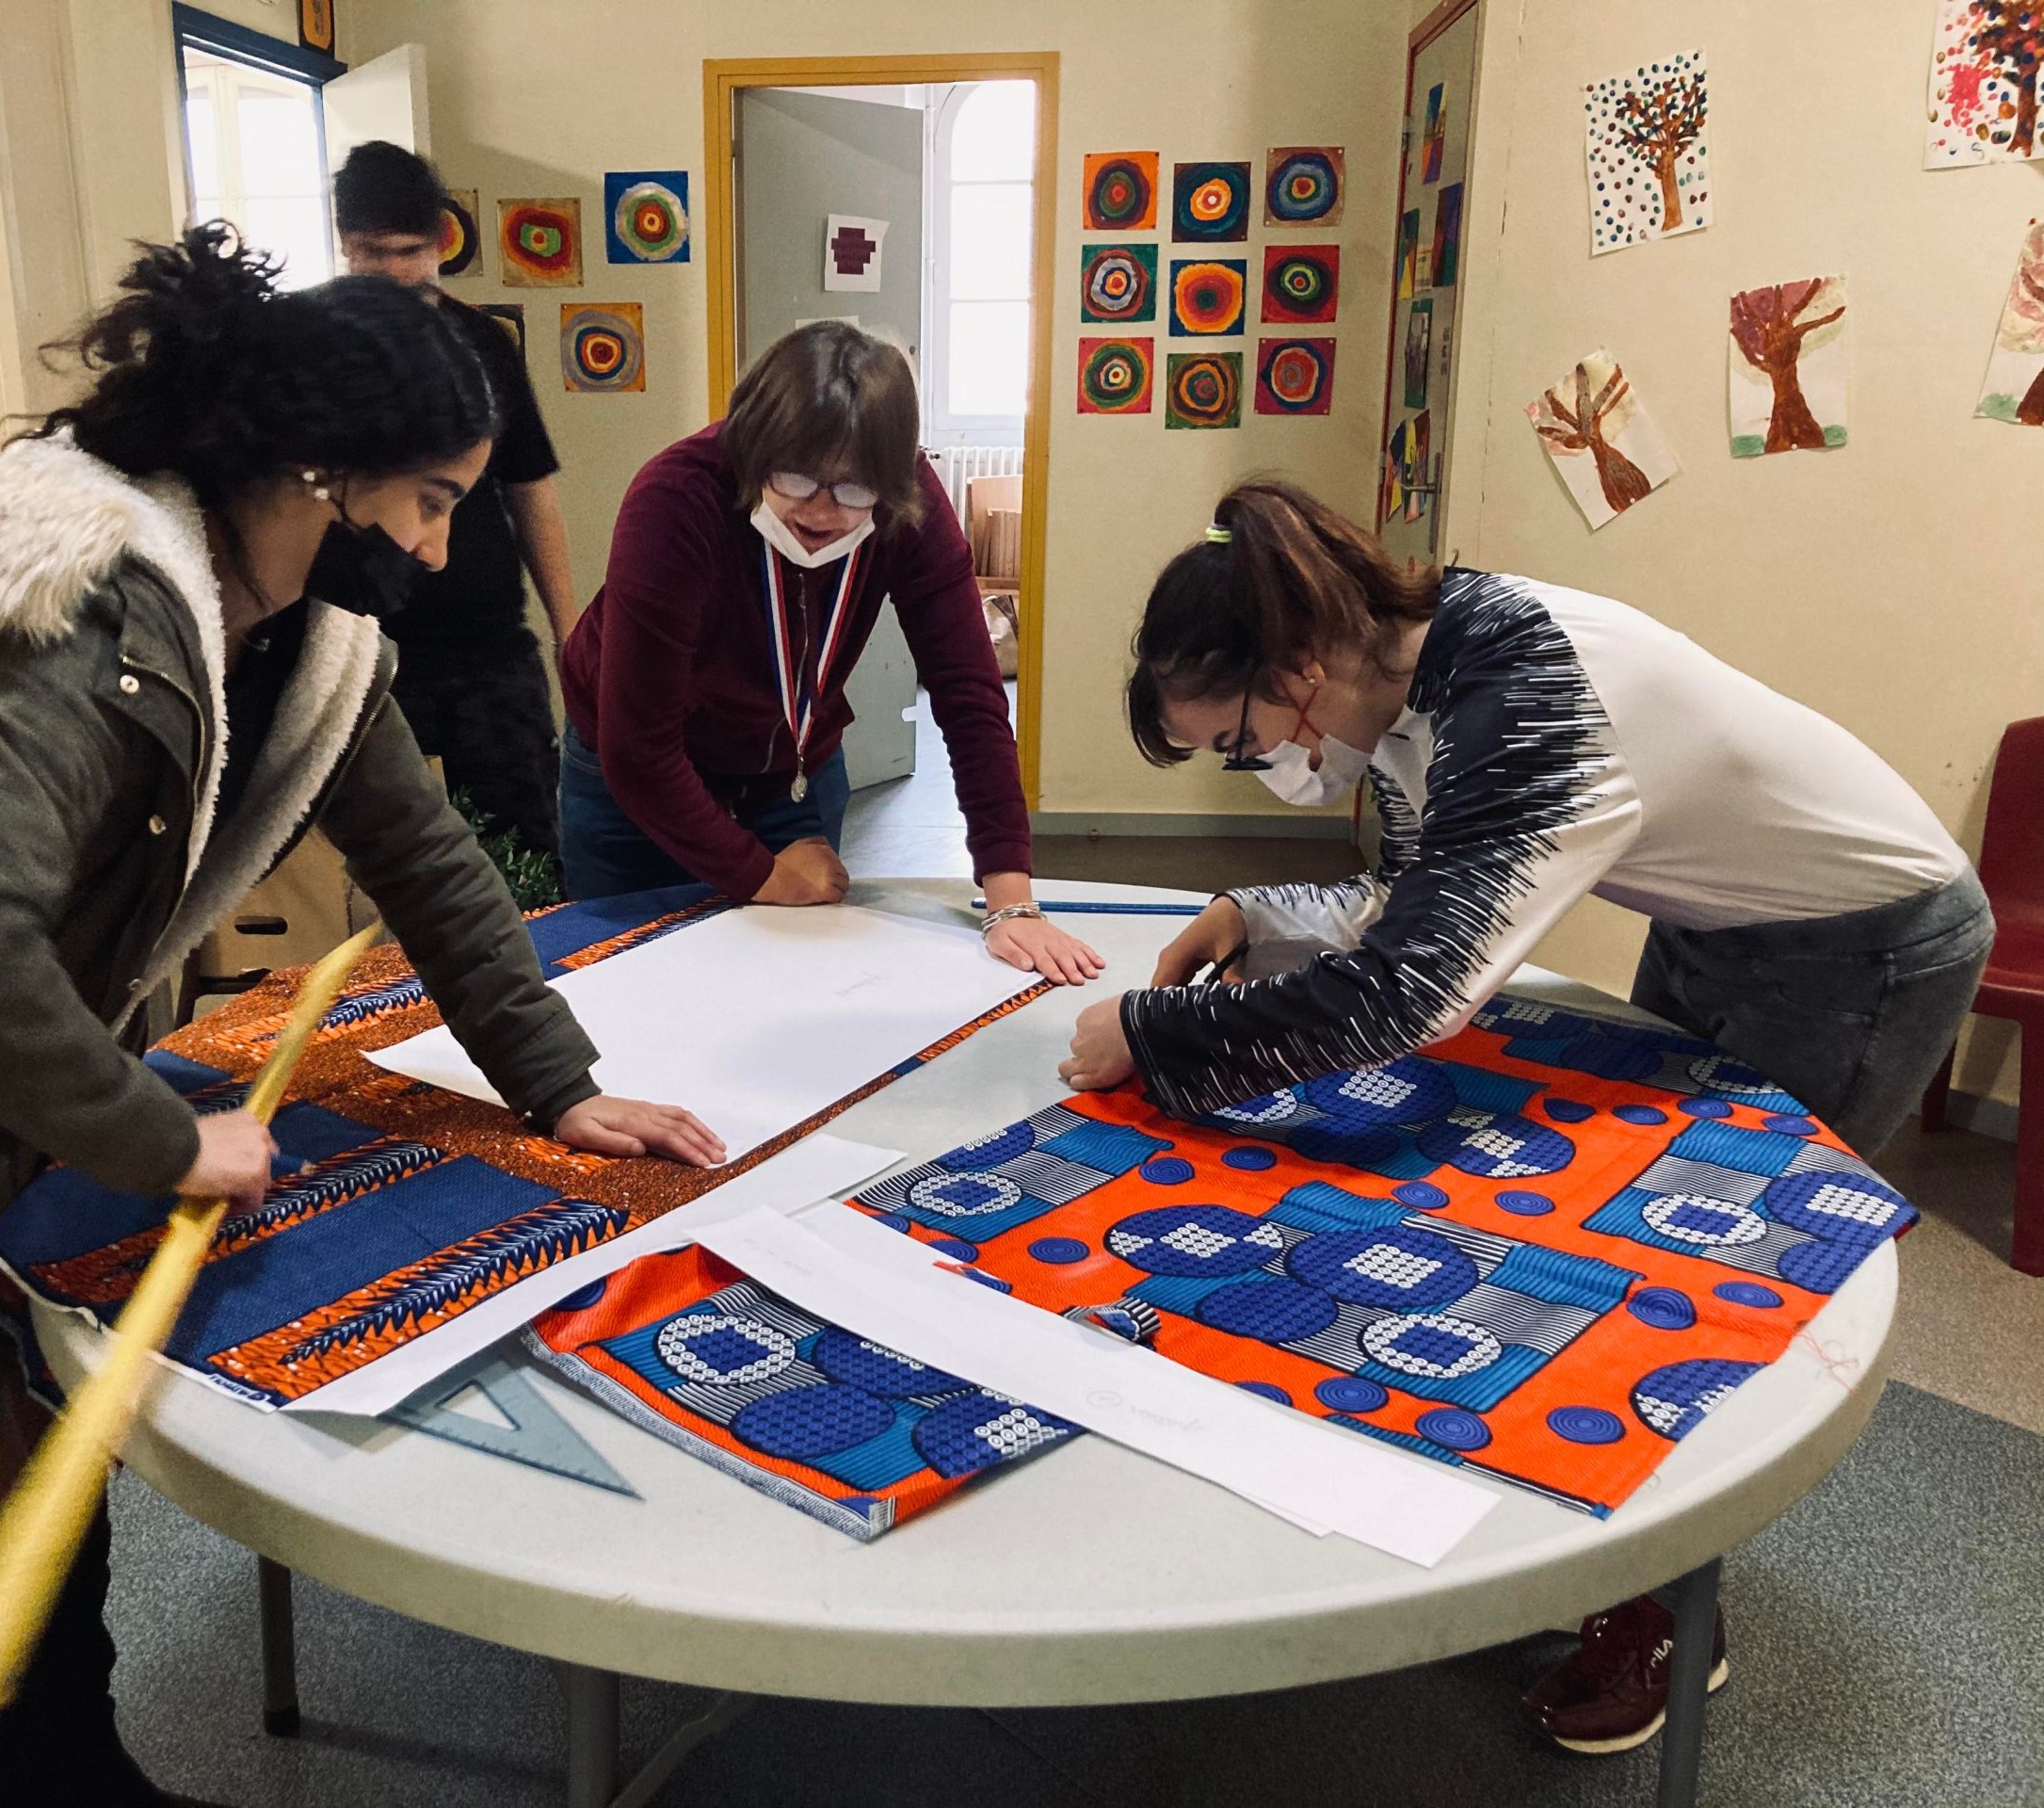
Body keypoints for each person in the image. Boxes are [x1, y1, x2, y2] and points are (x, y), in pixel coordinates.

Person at [0, 225, 720, 1808]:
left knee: (29, 1459)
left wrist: (558, 1085)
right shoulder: (87, 625)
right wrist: (164, 1142)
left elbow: (429, 868)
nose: (435, 548)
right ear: (318, 474)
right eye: (427, 501)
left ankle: (77, 1778)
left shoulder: (299, 638)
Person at [1061, 476, 1991, 1757]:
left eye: (1242, 741)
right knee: (1635, 1217)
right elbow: (1415, 897)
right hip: (1724, 922)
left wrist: (1157, 1040)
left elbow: (1416, 992)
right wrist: (1255, 917)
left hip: (1867, 943)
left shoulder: (1526, 692)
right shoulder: (1406, 682)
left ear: (1301, 670)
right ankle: (1603, 1553)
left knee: (1716, 1272)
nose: (1256, 768)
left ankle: (1674, 1621)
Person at [555, 320, 1102, 986]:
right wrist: (759, 874)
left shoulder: (909, 503)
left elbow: (970, 700)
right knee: (627, 978)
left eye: (853, 491)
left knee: (789, 974)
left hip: (789, 764)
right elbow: (639, 750)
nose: (820, 510)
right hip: (631, 775)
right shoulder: (676, 498)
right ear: (752, 446)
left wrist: (1010, 899)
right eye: (793, 478)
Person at [333, 140, 574, 864]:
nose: (390, 271)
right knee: (378, 870)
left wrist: (572, 633)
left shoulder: (483, 342)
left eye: (408, 251)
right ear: (344, 242)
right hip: (356, 652)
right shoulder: (310, 344)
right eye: (371, 252)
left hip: (487, 649)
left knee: (523, 859)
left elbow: (531, 490)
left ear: (440, 243)